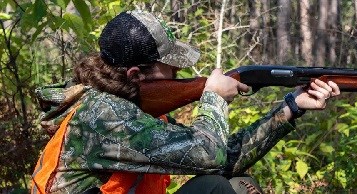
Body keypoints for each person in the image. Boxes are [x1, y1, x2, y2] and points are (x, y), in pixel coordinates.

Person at [31, 10, 340, 194]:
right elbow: (210, 155)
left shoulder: (132, 109)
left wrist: (291, 107)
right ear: (136, 74)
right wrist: (214, 98)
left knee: (222, 185)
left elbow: (225, 158)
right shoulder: (104, 115)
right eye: (171, 67)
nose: (179, 72)